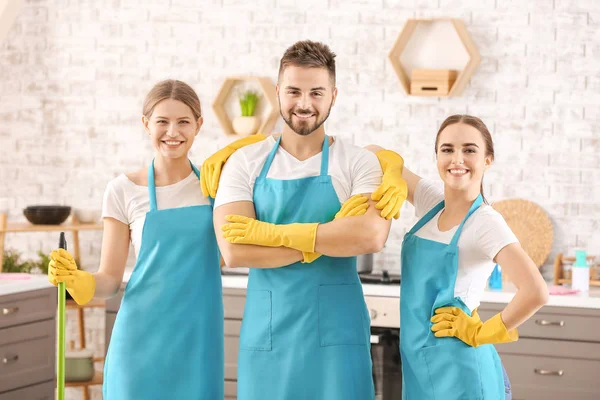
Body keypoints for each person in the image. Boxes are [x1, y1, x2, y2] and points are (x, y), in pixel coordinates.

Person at [206, 40, 406, 400]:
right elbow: (235, 249)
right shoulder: (245, 162)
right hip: (269, 334)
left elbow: (370, 235)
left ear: (333, 95)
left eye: (316, 92)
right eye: (294, 91)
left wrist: (270, 235)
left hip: (338, 335)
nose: (304, 103)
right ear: (278, 92)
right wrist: (322, 243)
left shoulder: (356, 161)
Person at [46, 79, 264, 400]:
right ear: (146, 124)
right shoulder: (123, 190)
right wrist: (78, 280)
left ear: (199, 125)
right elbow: (108, 280)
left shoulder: (217, 188)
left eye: (183, 122)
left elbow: (240, 243)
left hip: (197, 340)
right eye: (162, 121)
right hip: (139, 340)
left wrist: (235, 154)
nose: (172, 132)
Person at [368, 114, 549, 400]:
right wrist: (392, 173)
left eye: (469, 150)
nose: (457, 159)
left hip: (462, 370)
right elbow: (373, 152)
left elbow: (536, 291)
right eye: (447, 149)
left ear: (488, 160)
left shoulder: (485, 221)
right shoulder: (432, 202)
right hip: (420, 364)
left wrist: (482, 332)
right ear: (437, 156)